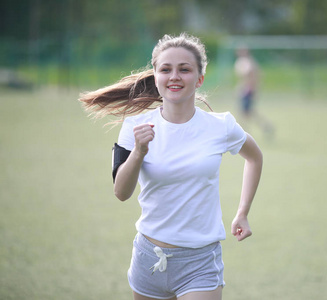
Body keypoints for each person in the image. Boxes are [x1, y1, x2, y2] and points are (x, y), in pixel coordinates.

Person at [79, 33, 263, 300]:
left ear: (199, 79)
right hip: (148, 258)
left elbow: (254, 157)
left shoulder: (220, 126)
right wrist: (139, 152)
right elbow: (121, 192)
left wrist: (242, 212)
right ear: (155, 76)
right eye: (166, 69)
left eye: (184, 69)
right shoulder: (134, 126)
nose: (174, 76)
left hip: (200, 261)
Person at [234, 47, 274, 138]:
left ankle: (246, 134)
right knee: (247, 113)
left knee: (246, 113)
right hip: (245, 91)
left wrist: (252, 90)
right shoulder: (246, 62)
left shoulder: (249, 63)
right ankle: (264, 127)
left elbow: (254, 77)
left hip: (248, 91)